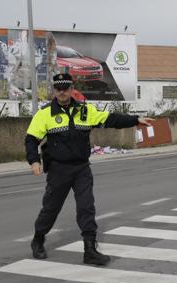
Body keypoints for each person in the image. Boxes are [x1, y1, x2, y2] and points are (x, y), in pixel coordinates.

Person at [25, 73, 153, 265]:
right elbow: (31, 139)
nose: (62, 92)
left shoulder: (85, 111)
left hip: (81, 168)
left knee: (86, 208)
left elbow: (111, 119)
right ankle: (38, 239)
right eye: (58, 88)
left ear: (71, 90)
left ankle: (90, 250)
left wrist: (135, 120)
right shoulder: (45, 114)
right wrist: (34, 161)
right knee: (51, 209)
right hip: (59, 169)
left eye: (65, 88)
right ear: (54, 90)